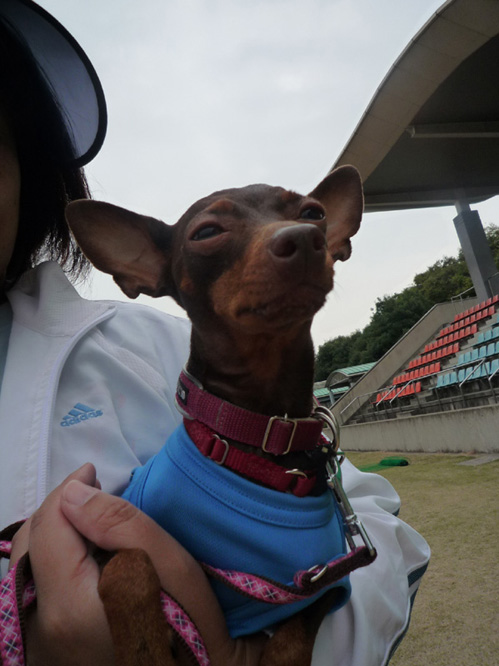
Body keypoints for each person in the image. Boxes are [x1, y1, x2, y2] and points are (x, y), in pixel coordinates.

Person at [0, 1, 430, 665]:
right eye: (210, 233)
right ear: (146, 267)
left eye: (309, 218)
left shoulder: (155, 348)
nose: (292, 235)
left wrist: (253, 655)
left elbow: (379, 538)